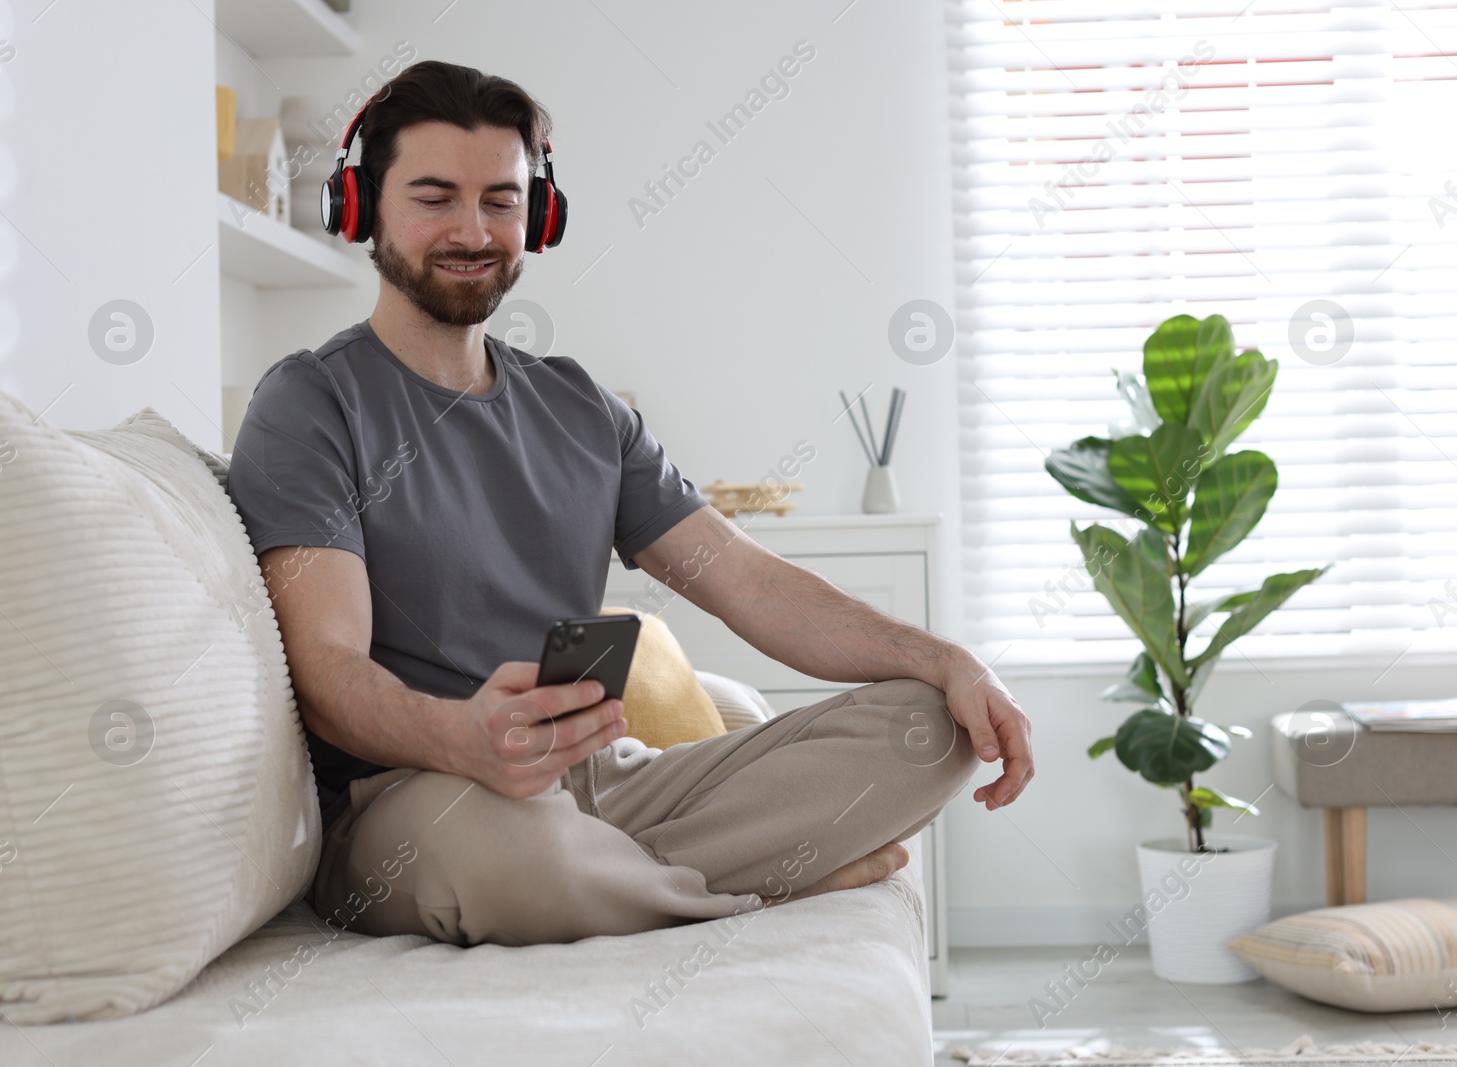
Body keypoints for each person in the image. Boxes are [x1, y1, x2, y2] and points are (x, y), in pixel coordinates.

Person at [226, 60, 1033, 949]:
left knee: (932, 726)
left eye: (501, 200)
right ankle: (757, 886)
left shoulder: (581, 407)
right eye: (434, 197)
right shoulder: (310, 403)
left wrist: (950, 660)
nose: (472, 228)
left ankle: (622, 875)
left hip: (604, 782)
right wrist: (462, 736)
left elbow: (748, 581)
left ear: (539, 216)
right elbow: (328, 670)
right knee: (508, 851)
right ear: (362, 206)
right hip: (419, 797)